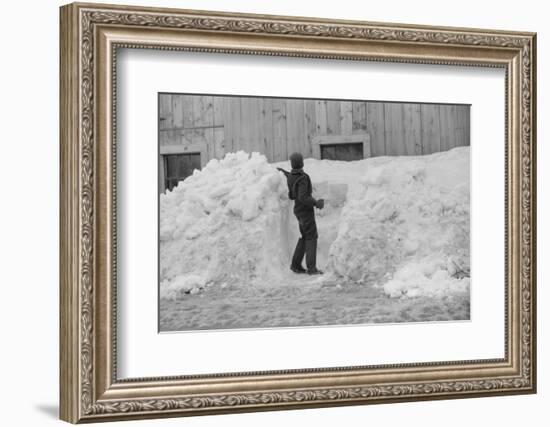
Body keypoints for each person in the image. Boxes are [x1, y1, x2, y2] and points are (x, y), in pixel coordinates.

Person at [277, 152, 324, 275]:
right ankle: (312, 268)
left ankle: (296, 265)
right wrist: (316, 203)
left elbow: (291, 177)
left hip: (298, 211)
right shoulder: (302, 178)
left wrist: (283, 172)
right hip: (305, 212)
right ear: (302, 163)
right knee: (311, 236)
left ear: (292, 164)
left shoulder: (292, 176)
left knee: (305, 236)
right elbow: (303, 197)